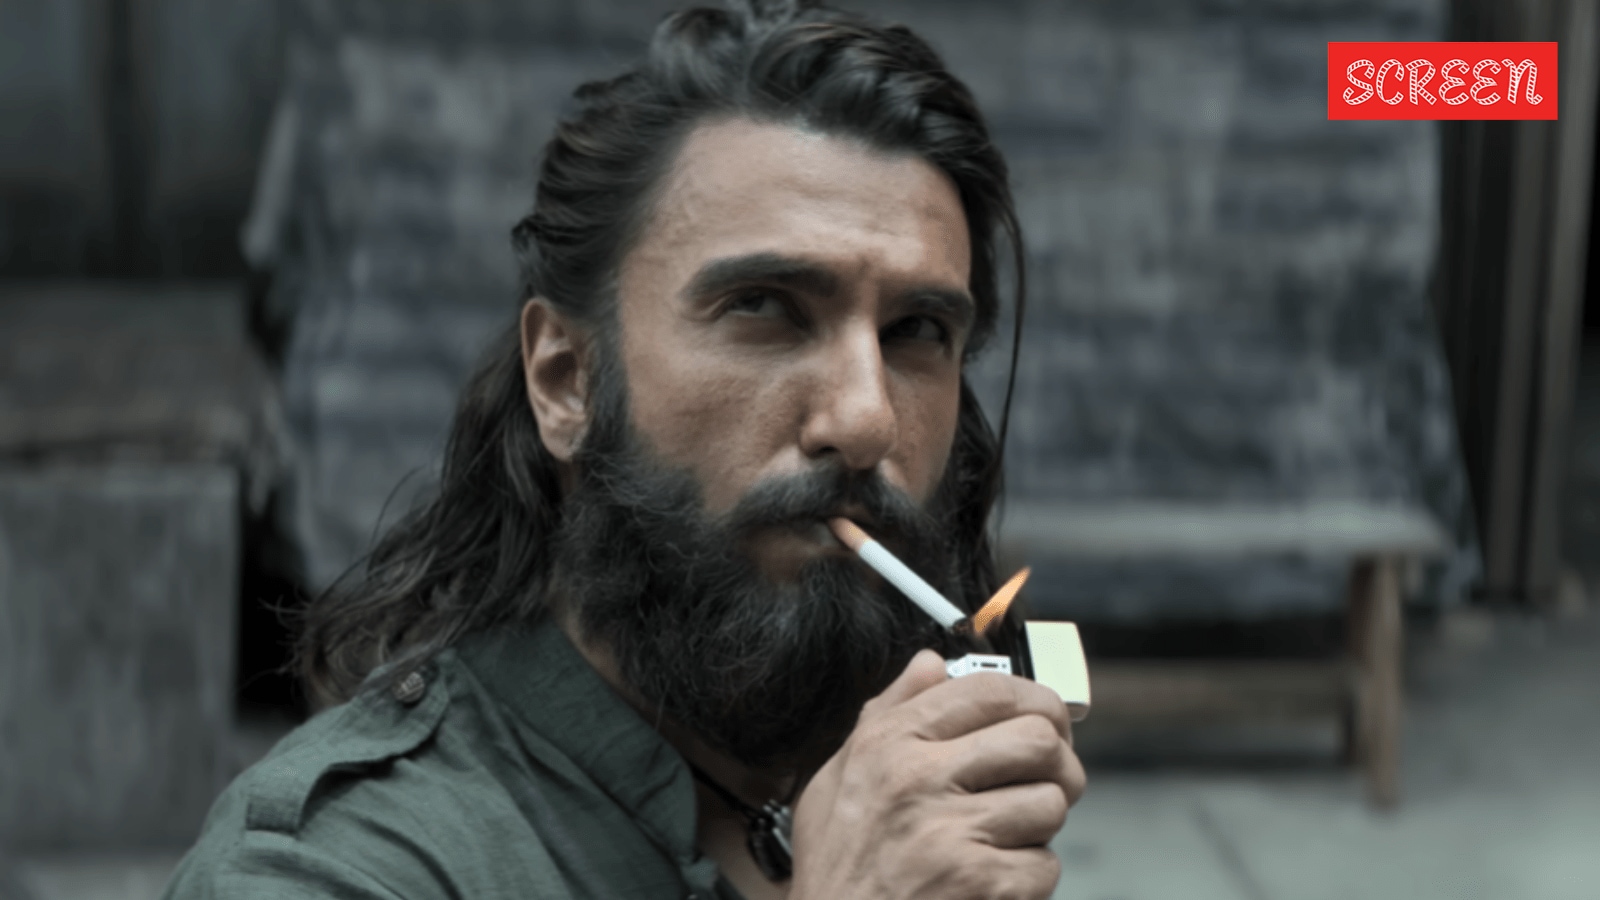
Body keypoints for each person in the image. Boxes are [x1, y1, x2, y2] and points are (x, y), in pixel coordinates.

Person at [163, 1, 1086, 897]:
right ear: (566, 381)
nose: (866, 418)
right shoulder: (335, 867)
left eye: (917, 329)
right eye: (764, 308)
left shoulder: (915, 800)